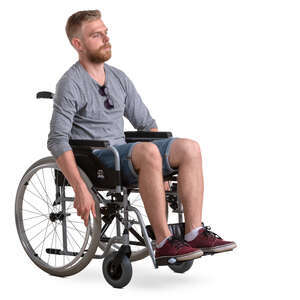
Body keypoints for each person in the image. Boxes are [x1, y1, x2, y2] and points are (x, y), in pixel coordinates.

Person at [47, 9, 236, 264]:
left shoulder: (118, 78)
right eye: (96, 35)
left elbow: (146, 123)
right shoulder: (70, 83)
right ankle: (164, 242)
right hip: (96, 158)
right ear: (78, 44)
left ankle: (193, 232)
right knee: (147, 150)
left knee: (190, 147)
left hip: (124, 154)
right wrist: (80, 187)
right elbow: (57, 140)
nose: (105, 39)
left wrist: (161, 168)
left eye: (105, 33)